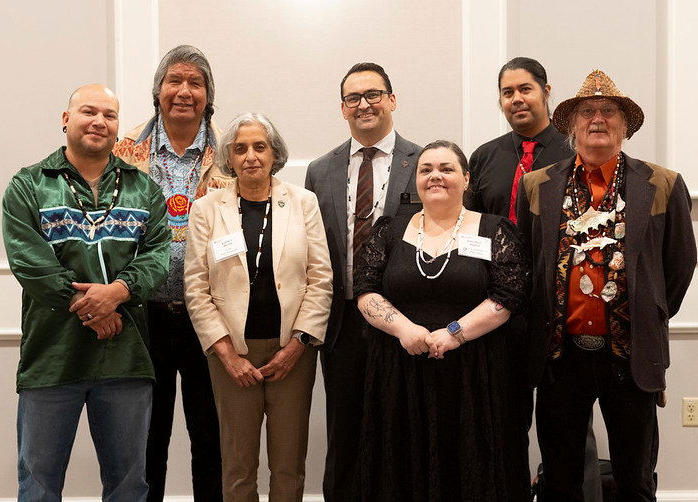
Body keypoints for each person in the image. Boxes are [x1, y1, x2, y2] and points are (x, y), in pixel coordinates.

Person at [516, 70, 697, 500]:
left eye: (609, 111)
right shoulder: (537, 185)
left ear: (626, 125)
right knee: (560, 480)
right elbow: (527, 262)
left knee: (636, 480)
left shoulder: (662, 184)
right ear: (572, 125)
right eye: (588, 112)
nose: (598, 118)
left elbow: (679, 265)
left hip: (630, 358)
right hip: (560, 358)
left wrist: (648, 314)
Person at [2, 84, 170, 501]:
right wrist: (93, 307)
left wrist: (118, 291)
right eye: (88, 112)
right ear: (66, 119)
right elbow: (30, 262)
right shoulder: (28, 186)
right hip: (52, 359)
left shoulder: (143, 189)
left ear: (117, 128)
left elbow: (156, 256)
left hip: (126, 360)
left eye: (109, 115)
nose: (99, 121)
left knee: (130, 484)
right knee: (38, 484)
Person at [354, 140, 531, 501]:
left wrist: (455, 334)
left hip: (475, 376)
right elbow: (365, 289)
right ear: (416, 180)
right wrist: (404, 328)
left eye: (446, 169)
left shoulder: (495, 230)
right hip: (400, 374)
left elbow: (508, 295)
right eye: (426, 169)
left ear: (466, 179)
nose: (436, 176)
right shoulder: (389, 230)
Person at [468, 56, 603, 500]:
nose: (516, 99)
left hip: (557, 315)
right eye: (507, 93)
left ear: (547, 91)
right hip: (496, 313)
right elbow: (468, 228)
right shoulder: (485, 158)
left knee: (567, 430)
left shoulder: (575, 154)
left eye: (525, 89)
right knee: (502, 425)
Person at [185, 113, 333, 501]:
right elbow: (196, 289)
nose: (250, 156)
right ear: (228, 158)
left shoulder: (303, 203)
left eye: (259, 146)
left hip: (292, 354)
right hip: (232, 354)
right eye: (240, 149)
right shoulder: (206, 210)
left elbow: (320, 279)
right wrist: (227, 355)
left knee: (288, 463)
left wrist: (298, 346)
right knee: (237, 464)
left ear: (274, 153)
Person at [304, 62, 422, 501]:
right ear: (342, 109)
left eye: (373, 95)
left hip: (407, 320)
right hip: (343, 323)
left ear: (392, 100)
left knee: (404, 429)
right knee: (346, 431)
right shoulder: (320, 170)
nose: (364, 104)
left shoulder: (424, 160)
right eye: (354, 98)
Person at [113, 45, 225, 502]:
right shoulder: (124, 154)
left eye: (195, 83)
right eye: (174, 81)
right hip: (142, 317)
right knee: (145, 440)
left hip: (211, 318)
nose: (183, 92)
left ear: (208, 96)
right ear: (157, 91)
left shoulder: (231, 154)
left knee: (212, 438)